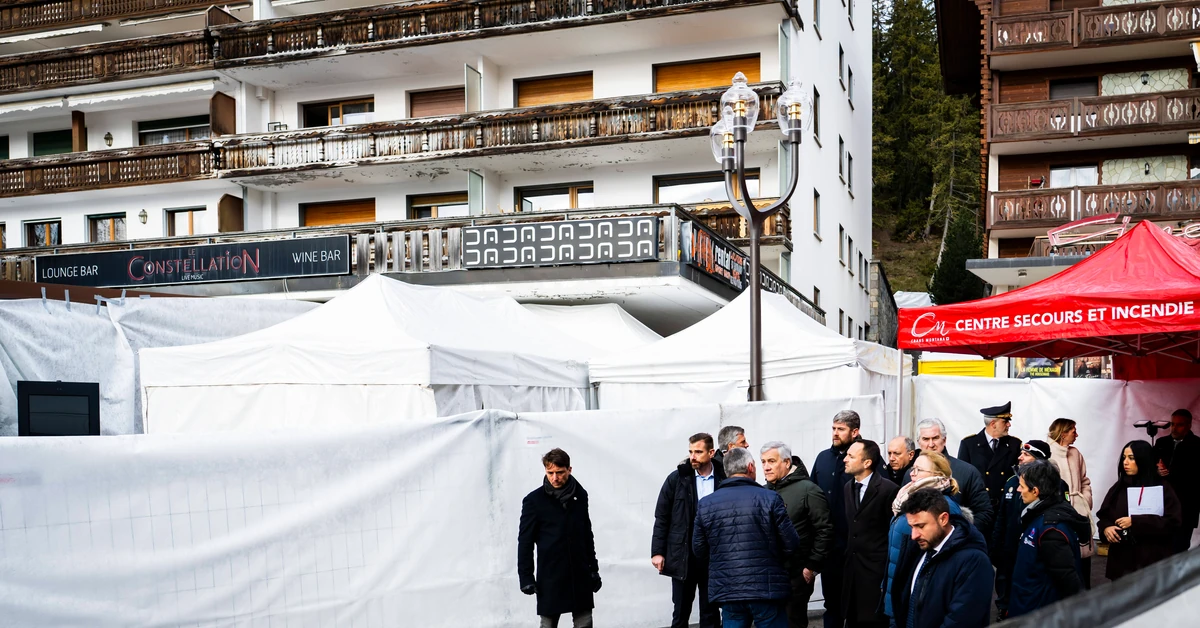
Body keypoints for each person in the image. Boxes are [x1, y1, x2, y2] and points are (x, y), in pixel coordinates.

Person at [693, 447, 801, 628]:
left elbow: (699, 549)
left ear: (727, 471)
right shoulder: (771, 498)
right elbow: (791, 543)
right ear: (750, 467)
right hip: (767, 589)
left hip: (728, 589)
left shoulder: (706, 504)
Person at [882, 450, 972, 624]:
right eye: (913, 469)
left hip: (915, 593)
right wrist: (886, 585)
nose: (912, 474)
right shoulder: (907, 497)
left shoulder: (945, 506)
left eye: (919, 470)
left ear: (937, 475)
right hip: (898, 586)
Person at [518, 448, 600, 628]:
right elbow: (525, 542)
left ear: (569, 470)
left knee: (585, 623)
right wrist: (526, 578)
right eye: (550, 473)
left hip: (579, 572)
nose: (555, 478)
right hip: (550, 574)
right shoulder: (534, 501)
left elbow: (586, 533)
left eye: (560, 472)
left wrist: (593, 568)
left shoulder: (581, 495)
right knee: (548, 624)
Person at [651, 433, 726, 628]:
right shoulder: (677, 479)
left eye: (698, 452)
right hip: (683, 555)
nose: (693, 456)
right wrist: (657, 552)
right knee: (681, 611)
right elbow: (662, 517)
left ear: (711, 453)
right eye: (691, 451)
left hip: (713, 555)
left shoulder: (723, 477)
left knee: (711, 611)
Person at [892, 489, 993, 628]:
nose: (914, 535)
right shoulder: (919, 548)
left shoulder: (974, 561)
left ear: (943, 519)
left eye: (920, 526)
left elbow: (962, 620)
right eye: (911, 527)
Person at [762, 441, 833, 628]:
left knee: (794, 620)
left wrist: (812, 566)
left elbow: (824, 530)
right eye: (763, 462)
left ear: (787, 462)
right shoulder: (764, 490)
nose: (766, 467)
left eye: (771, 461)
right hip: (771, 573)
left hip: (797, 573)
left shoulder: (808, 490)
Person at [1007, 459, 1089, 618]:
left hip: (1040, 613)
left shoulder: (1051, 530)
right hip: (1030, 605)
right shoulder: (1038, 515)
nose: (1018, 490)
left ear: (1035, 491)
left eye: (1022, 486)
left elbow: (1067, 578)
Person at [992, 440, 1063, 620]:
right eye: (1021, 453)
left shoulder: (1057, 485)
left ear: (1039, 460)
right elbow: (1002, 517)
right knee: (1005, 580)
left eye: (1026, 454)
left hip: (1034, 547)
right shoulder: (1011, 482)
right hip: (1010, 546)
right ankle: (1004, 611)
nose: (1020, 457)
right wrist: (995, 545)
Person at [1097, 440, 1184, 581]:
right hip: (1122, 562)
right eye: (1124, 457)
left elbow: (1173, 521)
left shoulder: (1162, 488)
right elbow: (1104, 515)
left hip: (1152, 561)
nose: (1125, 462)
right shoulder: (1119, 487)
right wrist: (1106, 528)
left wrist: (1136, 522)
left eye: (1131, 458)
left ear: (1143, 459)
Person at [903, 418, 994, 539]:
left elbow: (984, 513)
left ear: (944, 440)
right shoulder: (910, 473)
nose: (931, 444)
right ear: (919, 442)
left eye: (935, 438)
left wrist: (958, 536)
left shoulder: (967, 472)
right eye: (926, 439)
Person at [841, 439, 899, 628]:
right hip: (852, 572)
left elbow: (892, 532)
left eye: (851, 456)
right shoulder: (848, 487)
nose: (845, 459)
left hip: (876, 572)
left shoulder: (888, 490)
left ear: (867, 463)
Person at [810, 410, 860, 628]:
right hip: (829, 548)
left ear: (855, 431)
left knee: (858, 606)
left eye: (841, 429)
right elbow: (812, 494)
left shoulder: (865, 459)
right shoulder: (823, 458)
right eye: (834, 428)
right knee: (832, 605)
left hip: (856, 548)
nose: (835, 433)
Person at [1047, 418, 1095, 587]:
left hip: (1079, 513)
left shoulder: (1076, 453)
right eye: (1073, 431)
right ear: (1063, 432)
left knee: (1083, 563)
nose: (1077, 434)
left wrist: (1085, 501)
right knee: (1064, 561)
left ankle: (1085, 597)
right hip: (1060, 517)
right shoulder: (1049, 454)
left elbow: (1085, 481)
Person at [958, 402, 1022, 510]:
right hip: (978, 506)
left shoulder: (1014, 444)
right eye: (1005, 421)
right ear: (993, 424)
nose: (1009, 425)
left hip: (1005, 507)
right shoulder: (969, 444)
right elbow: (962, 478)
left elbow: (1018, 477)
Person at [1153, 408, 1200, 554]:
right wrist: (1156, 470)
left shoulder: (1197, 445)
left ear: (1189, 425)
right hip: (1161, 504)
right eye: (1172, 424)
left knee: (1180, 547)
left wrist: (1172, 473)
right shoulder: (1161, 443)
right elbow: (1149, 465)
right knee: (1160, 546)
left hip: (1186, 506)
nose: (1174, 428)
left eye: (1179, 425)